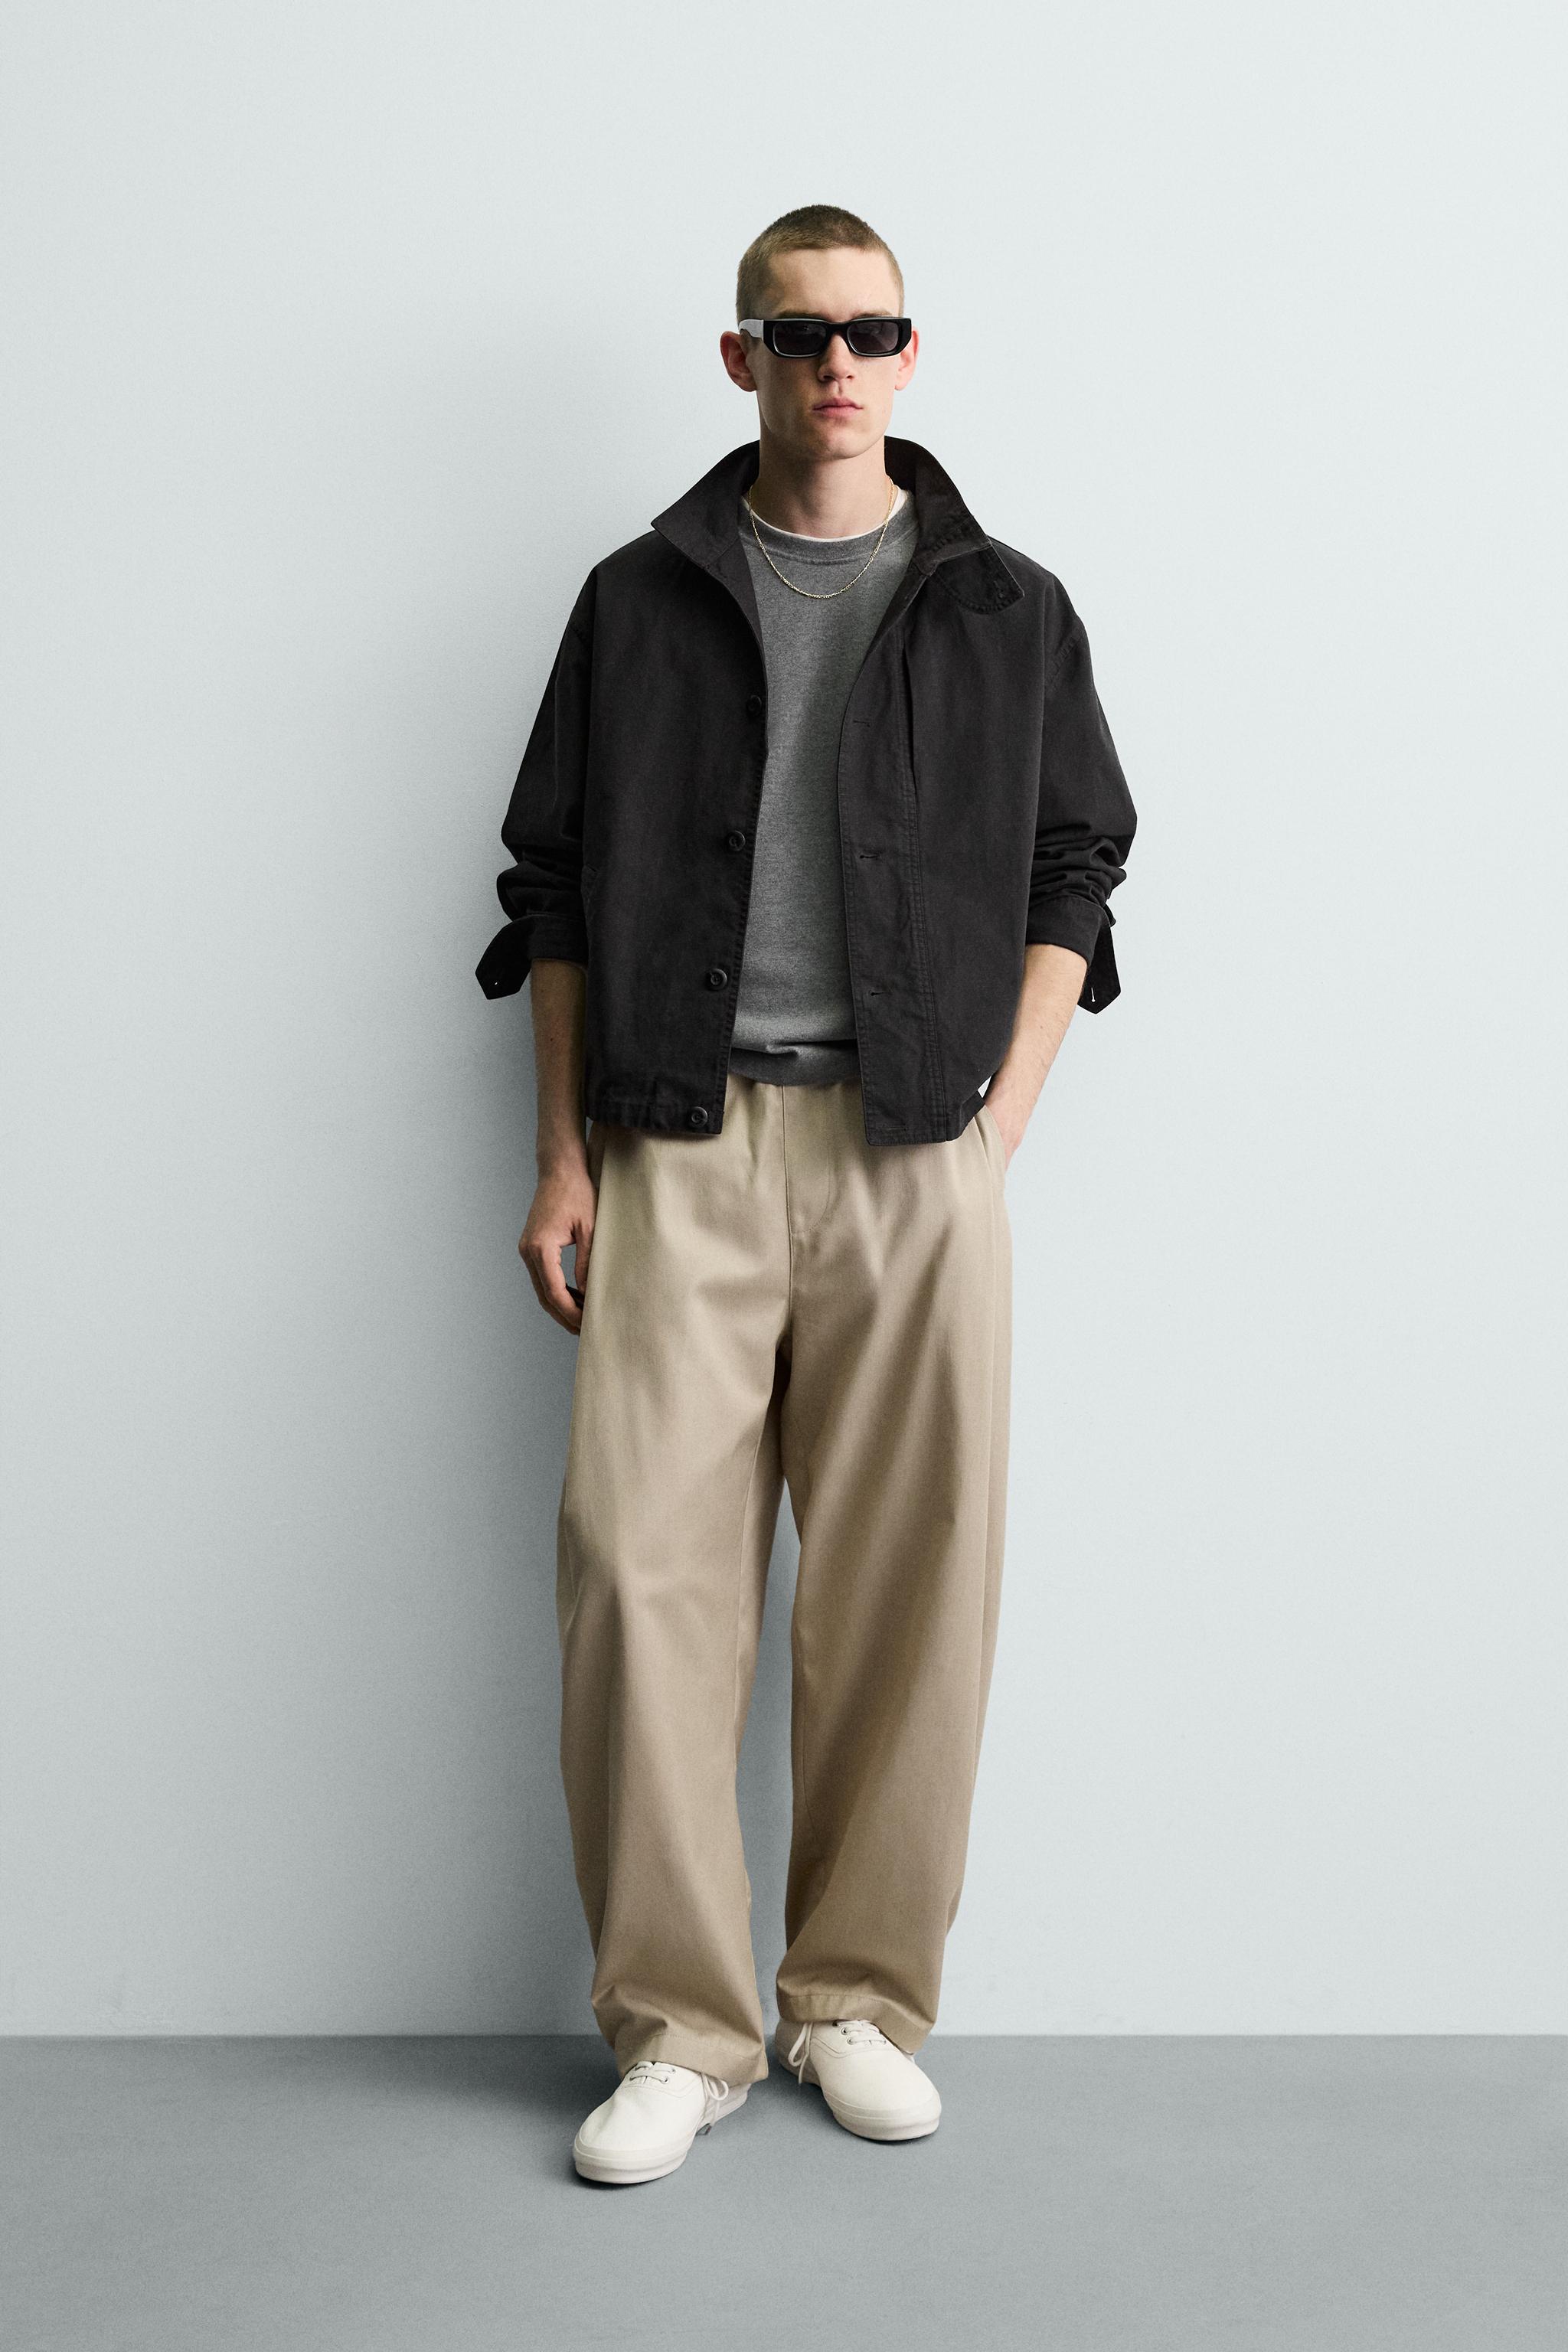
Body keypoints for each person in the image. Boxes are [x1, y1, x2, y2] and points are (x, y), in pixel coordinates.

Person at [476, 203, 1137, 2187]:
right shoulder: (639, 599)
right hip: (678, 1142)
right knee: (637, 1580)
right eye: (798, 333)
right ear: (741, 356)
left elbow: (1080, 866)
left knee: (909, 1589)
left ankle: (855, 2001)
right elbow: (551, 885)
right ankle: (681, 2030)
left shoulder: (1006, 607)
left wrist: (1001, 1122)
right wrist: (562, 1151)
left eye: (871, 330)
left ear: (911, 356)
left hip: (918, 1150)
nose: (836, 363)